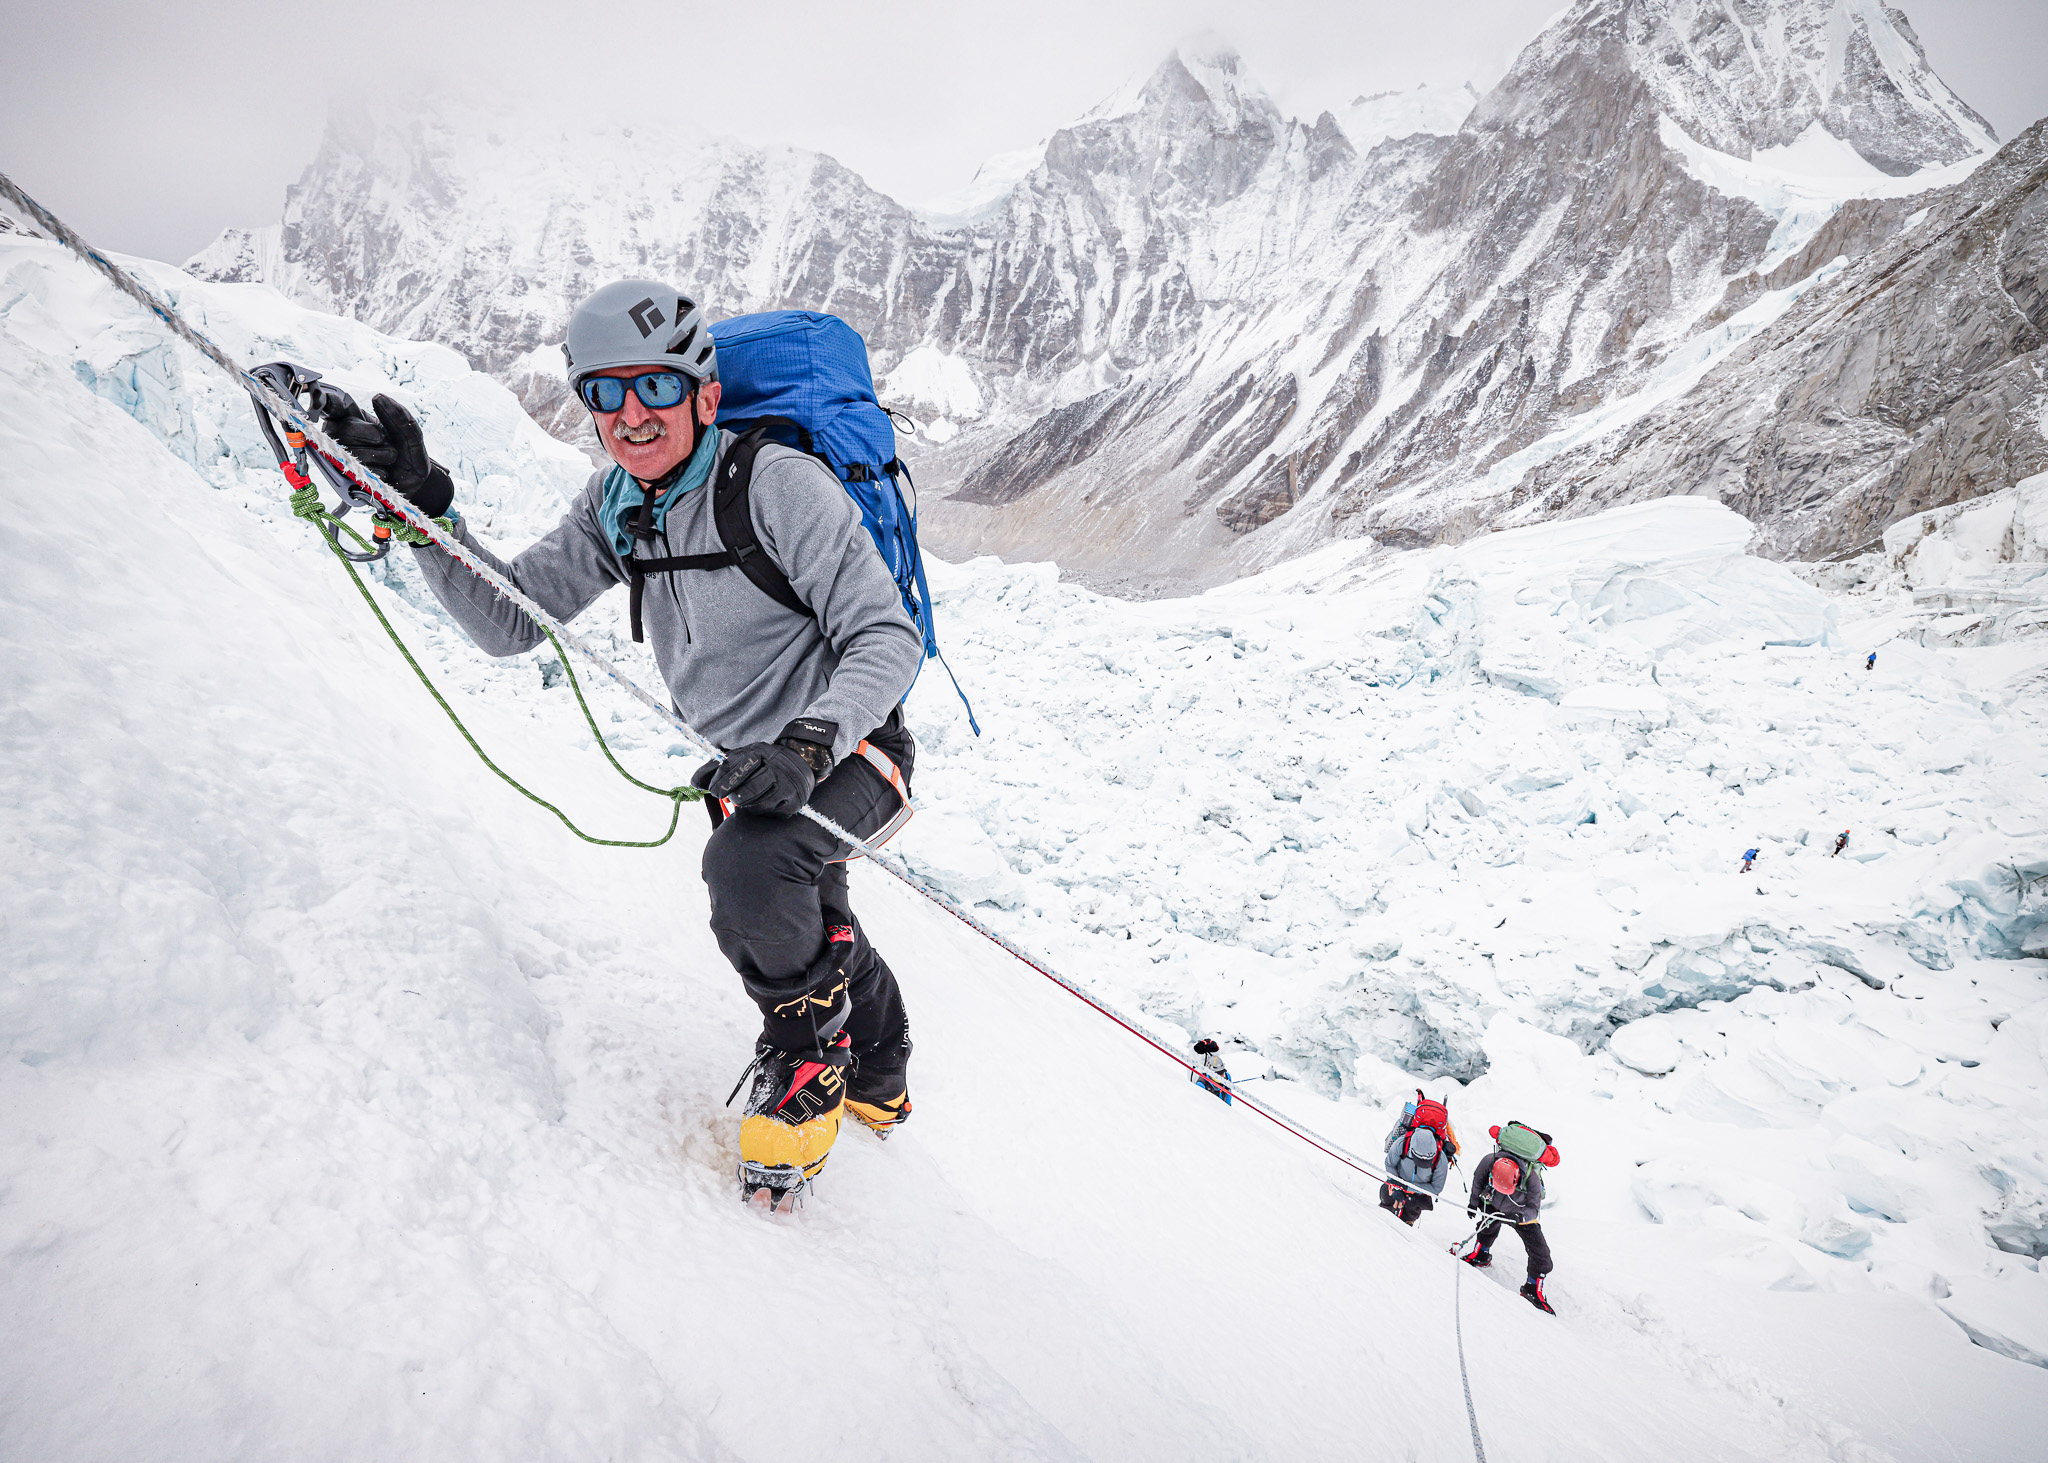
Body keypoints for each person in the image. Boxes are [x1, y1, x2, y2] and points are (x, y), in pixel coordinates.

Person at [315, 280, 925, 1209]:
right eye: (606, 392)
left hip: (852, 748)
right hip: (753, 765)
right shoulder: (618, 507)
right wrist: (427, 510)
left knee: (753, 874)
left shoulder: (774, 485)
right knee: (808, 898)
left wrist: (805, 746)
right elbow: (509, 620)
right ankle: (884, 1071)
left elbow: (887, 636)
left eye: (654, 387)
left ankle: (810, 1060)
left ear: (705, 395)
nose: (631, 415)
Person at [1461, 1122, 1561, 1313]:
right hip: (1494, 1203)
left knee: (1541, 1254)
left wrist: (1520, 1216)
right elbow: (1478, 1181)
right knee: (1486, 1227)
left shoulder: (1531, 1178)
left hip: (1519, 1211)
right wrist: (1474, 1202)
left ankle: (1533, 1287)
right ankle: (1481, 1254)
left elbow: (1534, 1207)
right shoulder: (1489, 1161)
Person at [1380, 1090, 1459, 1225]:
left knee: (1409, 1216)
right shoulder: (1403, 1142)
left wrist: (1407, 1189)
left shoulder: (1441, 1159)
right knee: (1385, 1202)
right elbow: (1389, 1164)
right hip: (1397, 1184)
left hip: (1417, 1195)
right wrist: (1396, 1184)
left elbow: (1436, 1188)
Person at [1192, 1038, 1233, 1102]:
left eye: (1222, 1072)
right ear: (1211, 1073)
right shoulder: (1202, 1083)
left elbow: (1228, 1097)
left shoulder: (1227, 1077)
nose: (1222, 1076)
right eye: (1218, 1073)